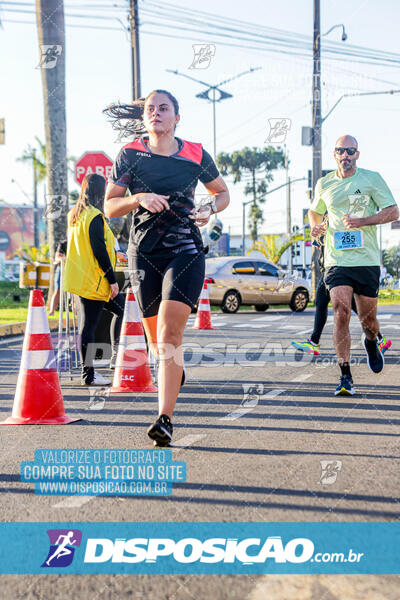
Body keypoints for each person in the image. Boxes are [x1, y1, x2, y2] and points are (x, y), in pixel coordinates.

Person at [104, 89, 230, 446]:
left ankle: (165, 419)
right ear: (144, 118)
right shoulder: (130, 154)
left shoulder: (195, 153)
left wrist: (209, 208)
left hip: (185, 249)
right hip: (143, 254)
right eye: (150, 109)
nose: (156, 113)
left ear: (177, 117)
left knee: (169, 334)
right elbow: (110, 206)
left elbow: (222, 193)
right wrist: (139, 198)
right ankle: (174, 370)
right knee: (158, 347)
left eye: (164, 108)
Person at [308, 135, 398, 396]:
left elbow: (393, 211)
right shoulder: (325, 184)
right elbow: (314, 211)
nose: (345, 155)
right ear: (334, 154)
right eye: (340, 150)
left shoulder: (372, 178)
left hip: (366, 260)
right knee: (341, 310)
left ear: (357, 154)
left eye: (350, 151)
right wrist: (316, 227)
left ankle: (371, 342)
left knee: (369, 320)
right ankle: (345, 375)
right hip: (337, 260)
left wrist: (364, 221)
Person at [63, 173, 125, 386]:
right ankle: (90, 374)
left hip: (82, 279)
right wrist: (112, 279)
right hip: (96, 281)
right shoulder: (94, 216)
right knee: (92, 325)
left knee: (94, 323)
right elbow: (99, 249)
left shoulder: (75, 214)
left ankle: (102, 366)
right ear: (100, 192)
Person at [292, 237, 391, 356]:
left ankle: (314, 342)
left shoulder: (331, 224)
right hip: (334, 267)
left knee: (323, 302)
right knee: (327, 303)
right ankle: (380, 339)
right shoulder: (326, 225)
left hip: (334, 268)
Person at [48, 240, 67, 316]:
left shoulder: (77, 242)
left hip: (73, 270)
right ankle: (52, 311)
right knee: (57, 290)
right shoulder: (63, 244)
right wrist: (65, 259)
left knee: (76, 293)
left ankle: (76, 311)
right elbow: (57, 258)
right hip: (61, 269)